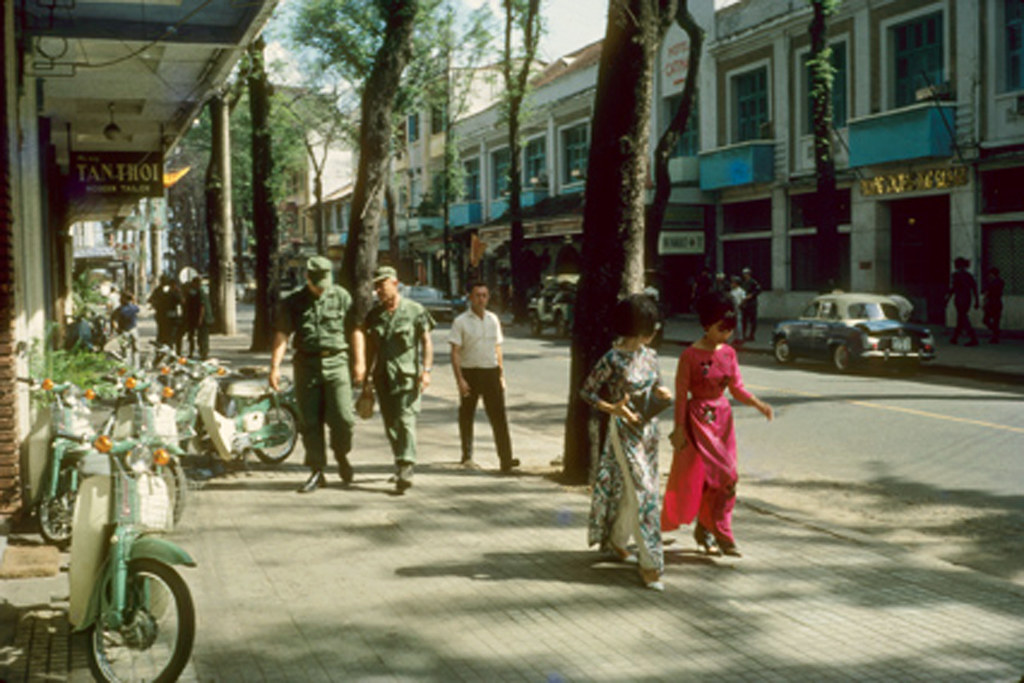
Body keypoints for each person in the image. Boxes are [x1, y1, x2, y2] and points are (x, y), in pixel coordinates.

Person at [662, 291, 773, 558]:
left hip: (723, 420)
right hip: (698, 419)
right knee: (721, 476)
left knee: (722, 479)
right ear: (706, 325)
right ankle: (720, 533)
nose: (726, 336)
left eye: (729, 331)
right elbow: (681, 394)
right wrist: (678, 428)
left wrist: (758, 404)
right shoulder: (689, 356)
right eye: (720, 329)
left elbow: (736, 388)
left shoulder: (729, 354)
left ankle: (708, 528)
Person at [580, 294, 672, 591]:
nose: (653, 331)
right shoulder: (612, 358)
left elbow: (656, 388)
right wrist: (613, 409)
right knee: (644, 493)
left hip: (649, 432)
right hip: (623, 431)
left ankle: (617, 541)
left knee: (633, 488)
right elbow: (587, 392)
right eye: (648, 326)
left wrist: (663, 396)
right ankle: (651, 565)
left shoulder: (651, 356)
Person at [270, 256, 360, 494]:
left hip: (337, 362)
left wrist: (359, 362)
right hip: (306, 365)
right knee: (310, 421)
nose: (321, 288)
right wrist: (275, 367)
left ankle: (341, 454)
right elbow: (282, 335)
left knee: (343, 418)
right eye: (317, 283)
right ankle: (317, 470)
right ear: (307, 278)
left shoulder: (342, 297)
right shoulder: (294, 302)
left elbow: (355, 330)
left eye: (325, 283)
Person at [356, 266, 435, 494]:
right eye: (376, 286)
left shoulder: (414, 310)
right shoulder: (375, 315)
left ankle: (406, 465)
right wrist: (366, 379)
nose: (379, 290)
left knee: (406, 420)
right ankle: (399, 462)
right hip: (383, 377)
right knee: (391, 424)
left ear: (396, 283)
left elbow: (426, 342)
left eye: (383, 284)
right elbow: (371, 349)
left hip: (407, 376)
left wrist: (427, 370)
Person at [449, 282, 519, 473]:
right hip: (470, 372)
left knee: (499, 417)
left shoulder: (493, 319)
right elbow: (455, 352)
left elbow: (498, 348)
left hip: (491, 372)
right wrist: (460, 379)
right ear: (470, 298)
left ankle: (506, 459)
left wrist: (501, 375)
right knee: (467, 415)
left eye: (484, 295)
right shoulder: (461, 322)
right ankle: (467, 454)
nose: (481, 299)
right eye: (477, 295)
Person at [944, 257, 979, 346]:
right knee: (961, 318)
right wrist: (976, 301)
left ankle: (973, 338)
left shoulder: (956, 275)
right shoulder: (969, 275)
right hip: (967, 299)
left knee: (963, 318)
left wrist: (947, 299)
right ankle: (955, 337)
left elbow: (953, 288)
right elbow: (974, 288)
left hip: (960, 299)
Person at [148, 274, 182, 350]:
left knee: (165, 336)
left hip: (165, 316)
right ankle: (167, 351)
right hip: (166, 316)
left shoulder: (160, 290)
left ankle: (167, 351)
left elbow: (179, 300)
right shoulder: (169, 290)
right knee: (168, 336)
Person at [982, 267, 1004, 344]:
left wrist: (984, 301)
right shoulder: (998, 281)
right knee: (991, 320)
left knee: (991, 320)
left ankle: (995, 335)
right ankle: (996, 333)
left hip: (994, 302)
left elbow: (988, 292)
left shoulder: (994, 282)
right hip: (994, 302)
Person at [740, 267, 761, 342]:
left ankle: (751, 335)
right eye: (744, 274)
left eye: (747, 274)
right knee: (744, 320)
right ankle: (743, 335)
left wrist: (751, 295)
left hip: (751, 303)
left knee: (753, 320)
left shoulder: (753, 282)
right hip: (745, 303)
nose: (745, 275)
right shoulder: (743, 283)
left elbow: (758, 290)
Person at [728, 276, 746, 340]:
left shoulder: (741, 291)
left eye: (733, 283)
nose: (732, 284)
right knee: (734, 323)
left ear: (736, 283)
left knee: (738, 323)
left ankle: (740, 338)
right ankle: (735, 337)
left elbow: (743, 299)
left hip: (738, 307)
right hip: (732, 307)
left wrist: (739, 306)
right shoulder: (732, 291)